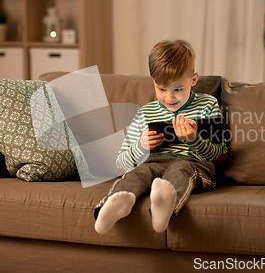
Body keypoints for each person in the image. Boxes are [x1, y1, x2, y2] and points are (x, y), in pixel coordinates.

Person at [94, 39, 228, 234]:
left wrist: (194, 139)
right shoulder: (145, 113)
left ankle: (164, 209)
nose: (169, 97)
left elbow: (220, 156)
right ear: (154, 82)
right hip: (154, 162)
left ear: (194, 79)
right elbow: (121, 161)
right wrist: (142, 146)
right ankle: (119, 202)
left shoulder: (208, 105)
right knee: (139, 173)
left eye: (178, 89)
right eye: (162, 89)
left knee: (181, 169)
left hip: (195, 164)